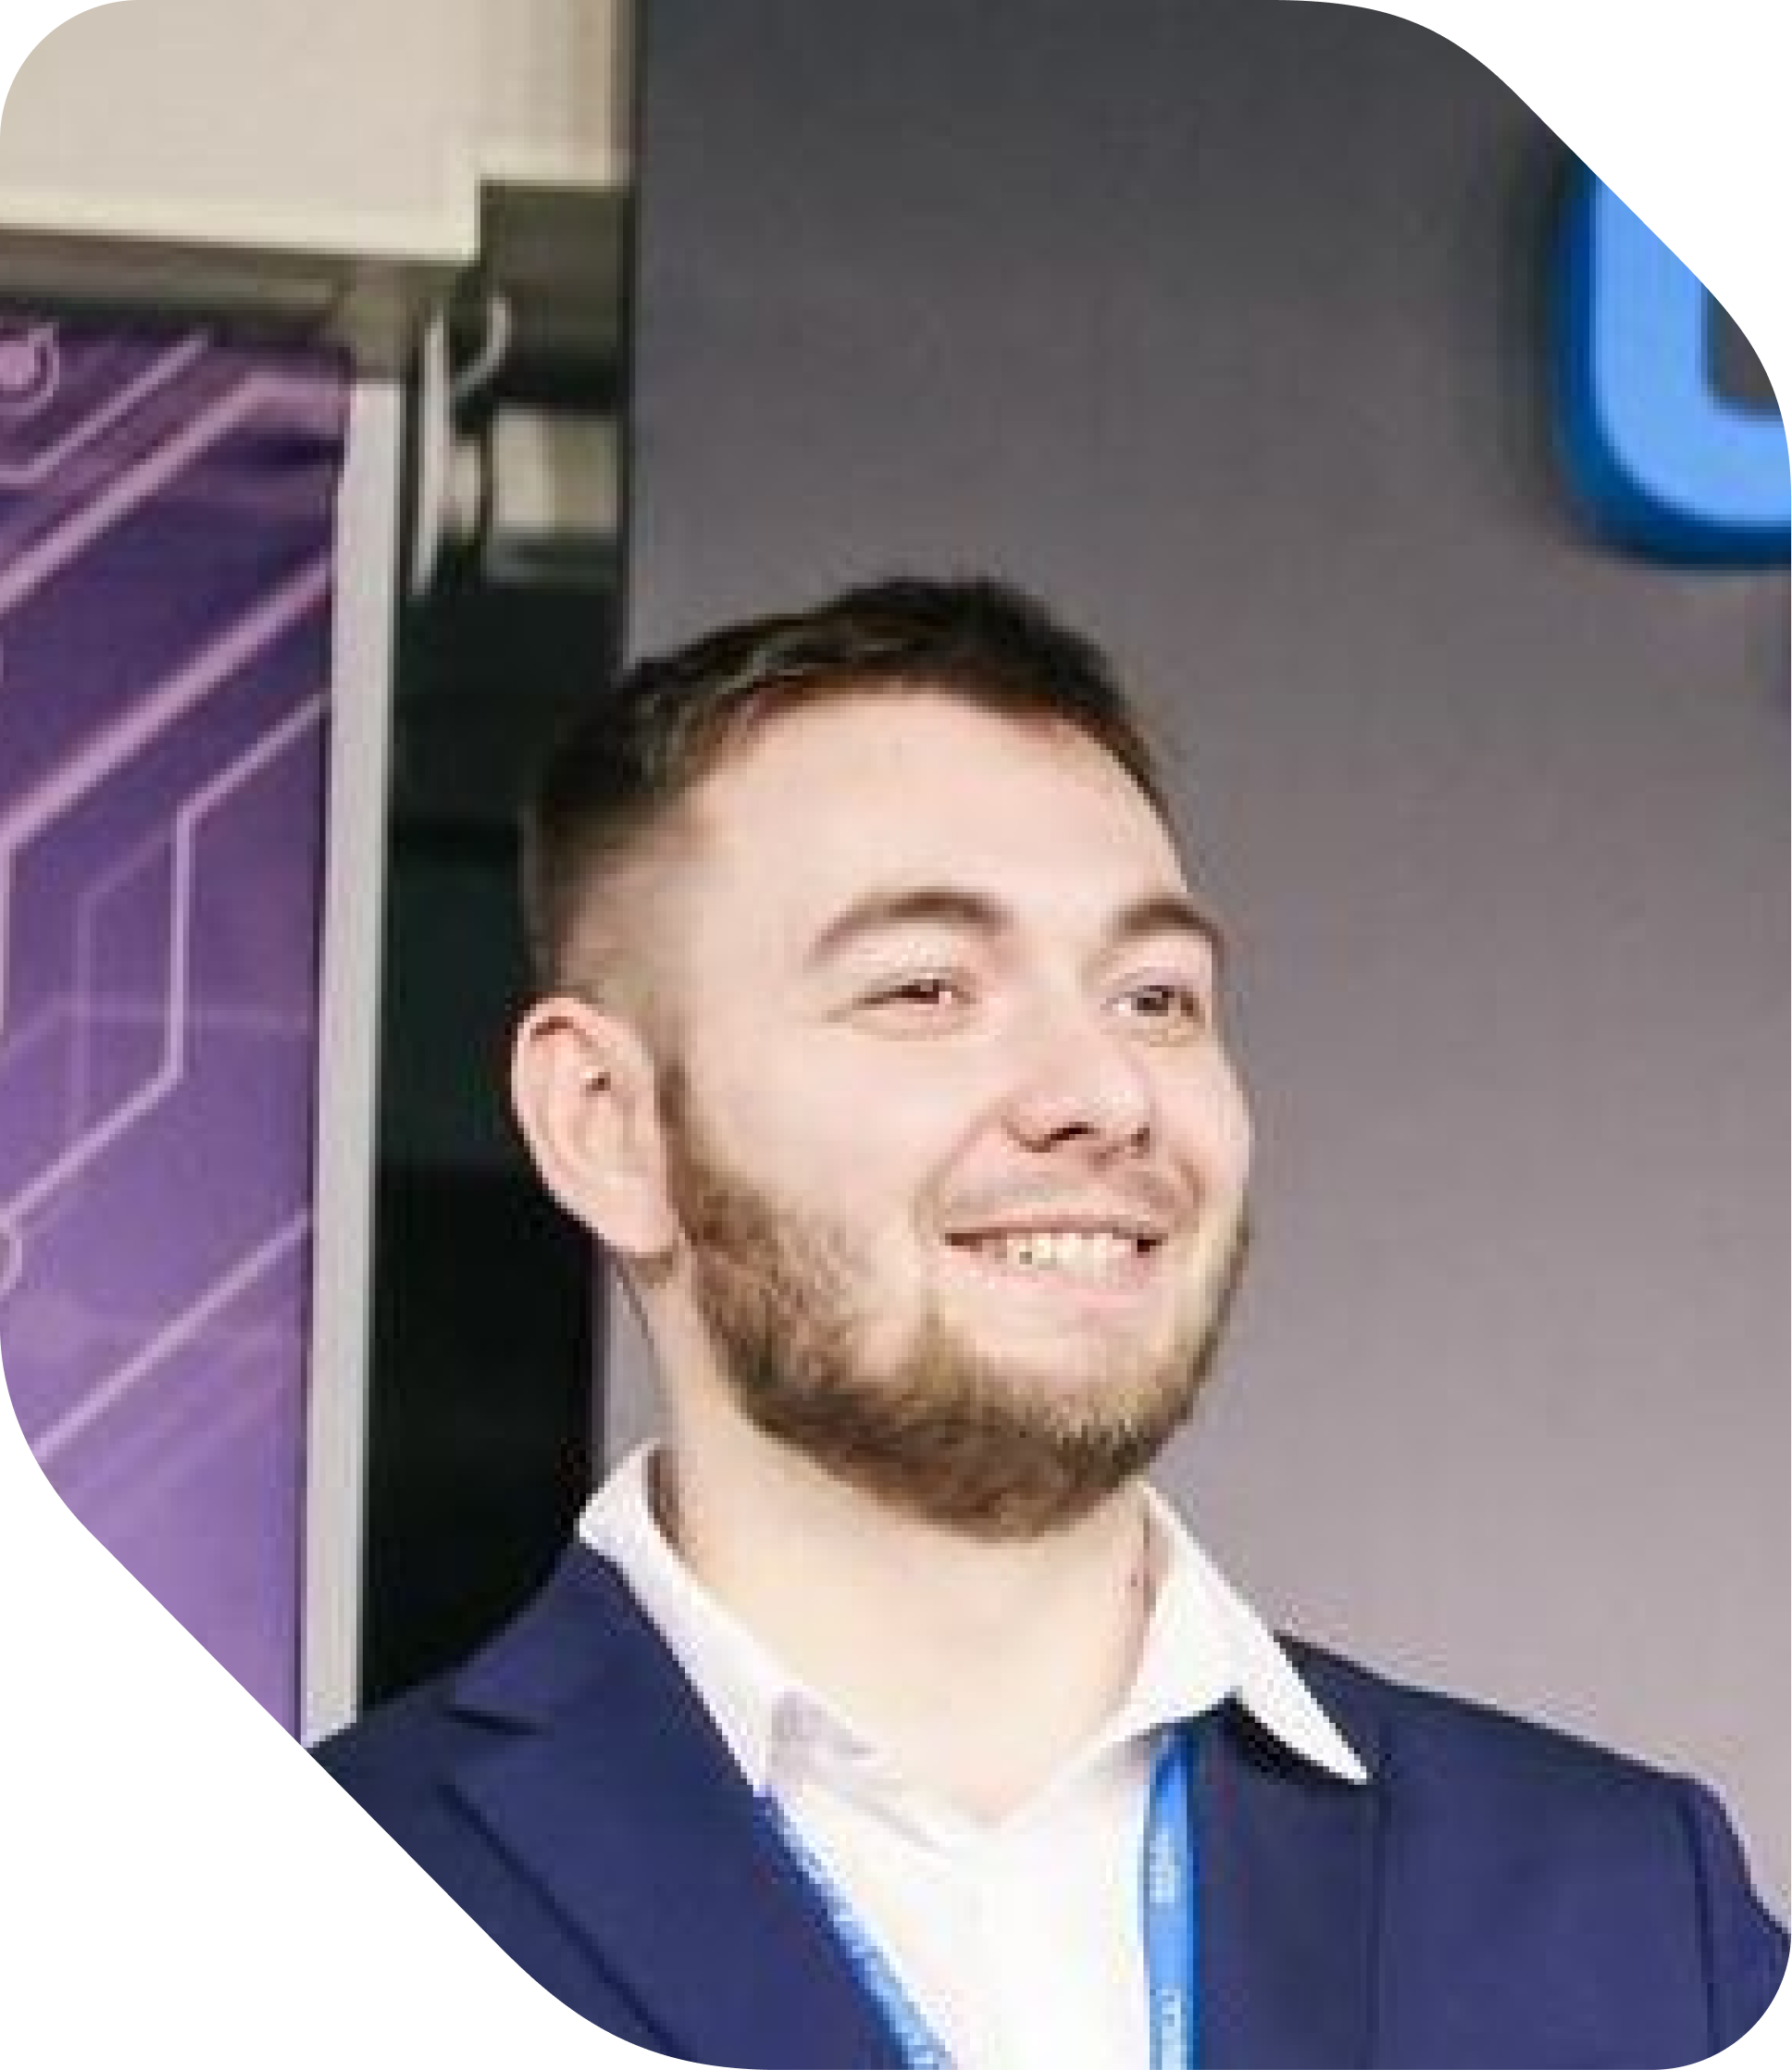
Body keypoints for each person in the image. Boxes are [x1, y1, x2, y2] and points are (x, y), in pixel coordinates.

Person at [316, 578, 1786, 2066]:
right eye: (925, 989)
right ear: (607, 1122)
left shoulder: (1626, 1910)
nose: (1103, 1091)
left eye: (1155, 997)